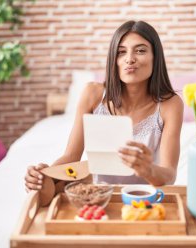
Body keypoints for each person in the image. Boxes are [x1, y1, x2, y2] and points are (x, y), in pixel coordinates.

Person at [25, 20, 183, 190]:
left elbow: (169, 175)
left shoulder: (170, 105)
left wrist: (148, 169)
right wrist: (45, 175)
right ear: (113, 59)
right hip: (99, 198)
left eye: (140, 50)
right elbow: (71, 156)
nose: (129, 59)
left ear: (155, 57)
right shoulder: (92, 94)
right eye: (121, 52)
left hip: (144, 203)